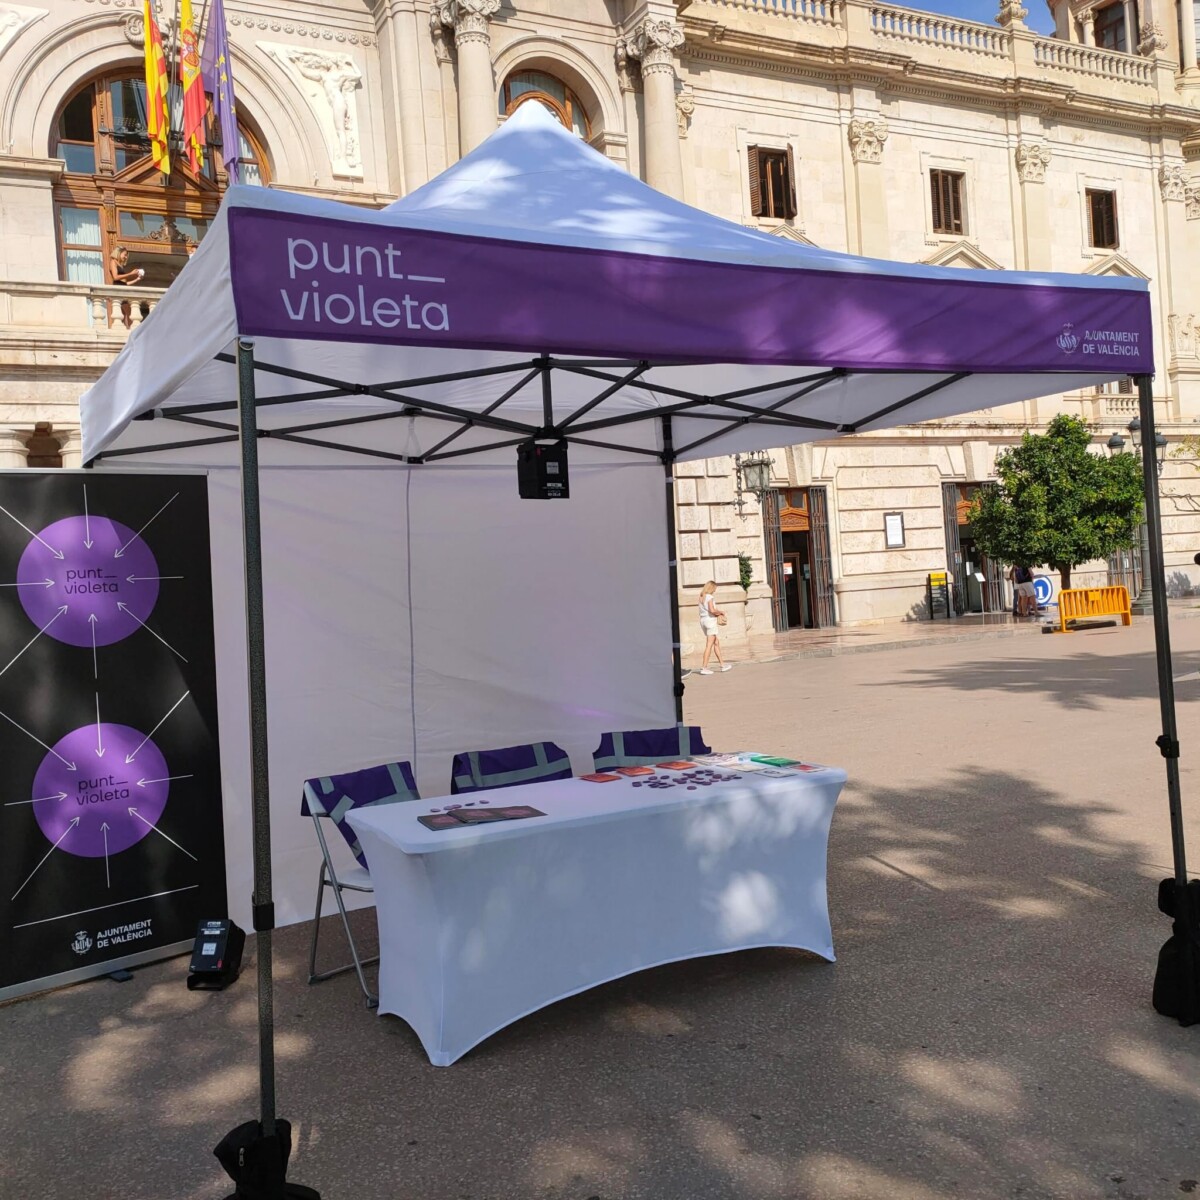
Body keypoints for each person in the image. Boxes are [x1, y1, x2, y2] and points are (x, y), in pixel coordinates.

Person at [697, 581, 731, 675]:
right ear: (711, 588)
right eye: (715, 588)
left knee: (716, 643)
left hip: (703, 621)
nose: (715, 590)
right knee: (709, 645)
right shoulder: (709, 597)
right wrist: (721, 612)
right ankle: (704, 667)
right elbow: (712, 610)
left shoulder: (701, 596)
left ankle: (722, 665)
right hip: (710, 621)